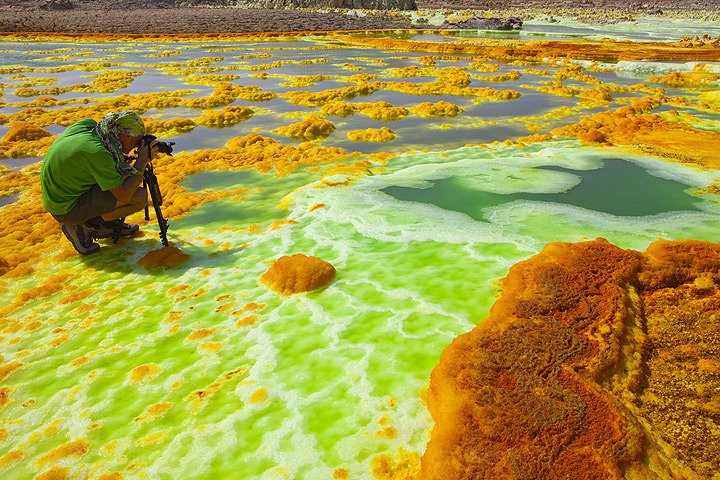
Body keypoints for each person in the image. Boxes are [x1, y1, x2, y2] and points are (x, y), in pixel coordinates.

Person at [40, 110, 158, 254]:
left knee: (123, 176)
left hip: (58, 196)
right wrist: (142, 160)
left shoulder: (89, 126)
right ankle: (84, 227)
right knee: (139, 197)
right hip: (66, 208)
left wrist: (118, 157)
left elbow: (86, 157)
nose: (138, 146)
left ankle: (103, 224)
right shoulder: (98, 153)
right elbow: (125, 196)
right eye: (138, 140)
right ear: (126, 136)